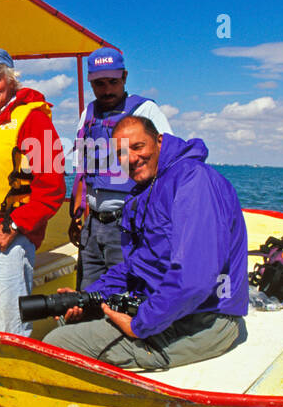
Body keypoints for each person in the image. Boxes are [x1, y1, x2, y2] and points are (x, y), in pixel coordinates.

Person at [43, 115, 247, 370]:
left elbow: (193, 278)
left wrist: (141, 324)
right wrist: (87, 297)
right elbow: (136, 267)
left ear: (159, 141)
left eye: (138, 147)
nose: (131, 158)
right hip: (168, 309)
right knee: (70, 320)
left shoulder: (192, 181)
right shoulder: (149, 188)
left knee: (57, 343)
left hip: (205, 319)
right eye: (121, 153)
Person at [0, 48, 66, 335]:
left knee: (12, 328)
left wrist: (15, 226)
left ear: (11, 79)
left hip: (9, 238)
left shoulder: (35, 120)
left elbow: (53, 187)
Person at [67, 46, 172, 286]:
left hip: (128, 224)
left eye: (113, 82)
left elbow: (167, 165)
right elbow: (82, 171)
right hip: (92, 225)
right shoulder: (88, 113)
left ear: (124, 77)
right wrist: (76, 216)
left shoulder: (146, 110)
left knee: (126, 293)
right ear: (91, 84)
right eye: (99, 84)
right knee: (87, 294)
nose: (107, 90)